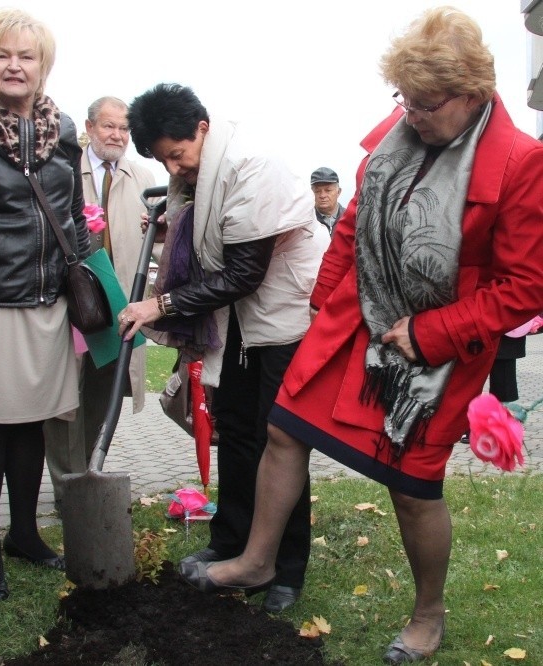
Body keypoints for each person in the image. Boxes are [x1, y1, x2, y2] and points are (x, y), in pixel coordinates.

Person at [179, 7, 543, 663]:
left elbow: (524, 285)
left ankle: (427, 615)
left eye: (427, 104)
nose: (414, 115)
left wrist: (431, 332)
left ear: (471, 94)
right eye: (405, 99)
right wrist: (323, 299)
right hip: (354, 317)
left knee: (411, 486)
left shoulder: (521, 162)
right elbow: (350, 224)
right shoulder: (395, 134)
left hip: (438, 341)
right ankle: (259, 560)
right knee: (284, 428)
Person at [119, 83, 325, 612]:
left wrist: (157, 305)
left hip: (286, 316)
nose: (176, 169)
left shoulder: (251, 166)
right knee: (234, 429)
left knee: (280, 440)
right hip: (240, 323)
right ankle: (232, 540)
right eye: (165, 161)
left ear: (202, 129)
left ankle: (286, 566)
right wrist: (174, 226)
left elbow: (242, 273)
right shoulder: (201, 173)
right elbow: (213, 237)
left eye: (178, 155)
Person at [0, 9, 89, 601]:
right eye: (3, 54)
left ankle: (24, 534)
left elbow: (76, 218)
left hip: (48, 303)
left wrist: (92, 291)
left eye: (26, 56)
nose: (14, 65)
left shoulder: (65, 126)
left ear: (43, 65)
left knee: (33, 422)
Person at [43, 96, 155, 513]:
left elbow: (156, 240)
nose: (117, 136)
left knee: (101, 396)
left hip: (115, 308)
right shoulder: (64, 168)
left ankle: (89, 471)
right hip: (69, 307)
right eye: (109, 127)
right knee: (62, 399)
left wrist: (158, 231)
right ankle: (64, 487)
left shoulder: (142, 176)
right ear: (89, 128)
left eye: (124, 129)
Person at [310, 167, 344, 236]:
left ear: (338, 192)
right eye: (317, 191)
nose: (322, 195)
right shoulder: (305, 221)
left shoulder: (351, 219)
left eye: (328, 190)